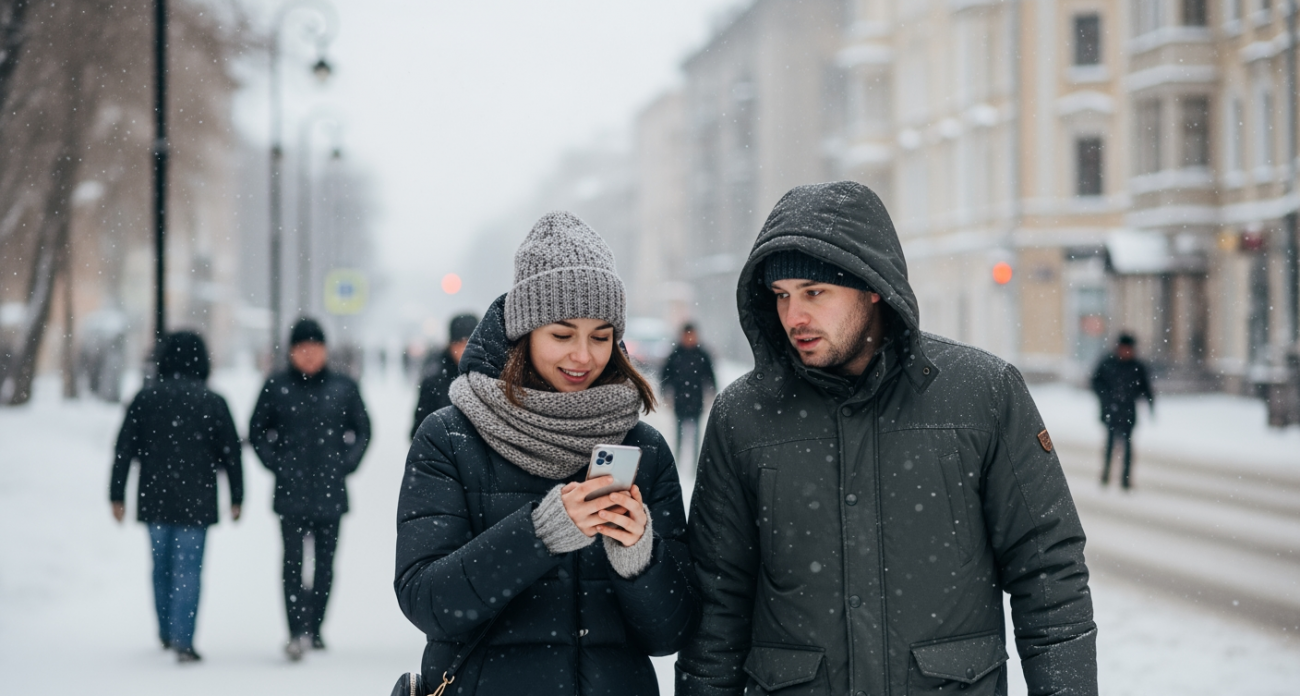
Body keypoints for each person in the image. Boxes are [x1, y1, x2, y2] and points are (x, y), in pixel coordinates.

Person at [675, 181, 1097, 696]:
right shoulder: (744, 415)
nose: (794, 318)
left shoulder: (983, 394)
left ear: (872, 286)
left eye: (814, 292)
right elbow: (718, 603)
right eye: (781, 296)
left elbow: (1048, 573)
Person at [395, 212, 700, 695]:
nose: (583, 356)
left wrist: (640, 557)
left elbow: (671, 633)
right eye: (562, 334)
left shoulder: (644, 449)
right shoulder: (450, 437)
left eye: (601, 336)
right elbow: (427, 602)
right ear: (524, 332)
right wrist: (539, 534)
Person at [110, 331, 243, 663]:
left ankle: (166, 630)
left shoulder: (145, 398)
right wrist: (238, 496)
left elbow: (124, 449)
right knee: (189, 570)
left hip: (155, 498)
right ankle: (184, 638)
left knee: (161, 567)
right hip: (196, 501)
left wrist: (116, 494)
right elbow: (231, 454)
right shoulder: (213, 401)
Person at [250, 318, 371, 660]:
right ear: (290, 351)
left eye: (314, 348)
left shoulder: (343, 387)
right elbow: (257, 431)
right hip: (290, 492)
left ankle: (314, 628)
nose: (308, 355)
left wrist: (347, 463)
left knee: (324, 565)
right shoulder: (276, 386)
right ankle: (295, 630)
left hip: (331, 491)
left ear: (324, 350)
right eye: (301, 349)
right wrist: (277, 463)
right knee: (291, 564)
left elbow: (363, 430)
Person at [1090, 333, 1154, 490]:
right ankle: (1106, 475)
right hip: (1110, 411)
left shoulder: (1137, 366)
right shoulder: (1108, 363)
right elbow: (1095, 382)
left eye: (1129, 349)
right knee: (1110, 444)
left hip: (1128, 412)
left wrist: (1150, 404)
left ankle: (1125, 479)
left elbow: (1146, 387)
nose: (1126, 352)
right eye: (1123, 349)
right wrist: (1106, 397)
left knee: (1128, 447)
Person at [410, 313, 479, 439]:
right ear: (450, 344)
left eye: (469, 342)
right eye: (458, 343)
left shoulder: (494, 378)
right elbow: (418, 431)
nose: (463, 349)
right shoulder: (434, 381)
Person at [659, 322, 715, 467]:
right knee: (678, 433)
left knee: (696, 434)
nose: (689, 338)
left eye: (692, 335)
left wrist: (712, 393)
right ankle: (677, 461)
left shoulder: (702, 354)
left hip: (697, 399)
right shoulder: (675, 354)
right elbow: (665, 376)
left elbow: (710, 377)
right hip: (680, 399)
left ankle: (696, 464)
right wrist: (665, 394)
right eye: (687, 335)